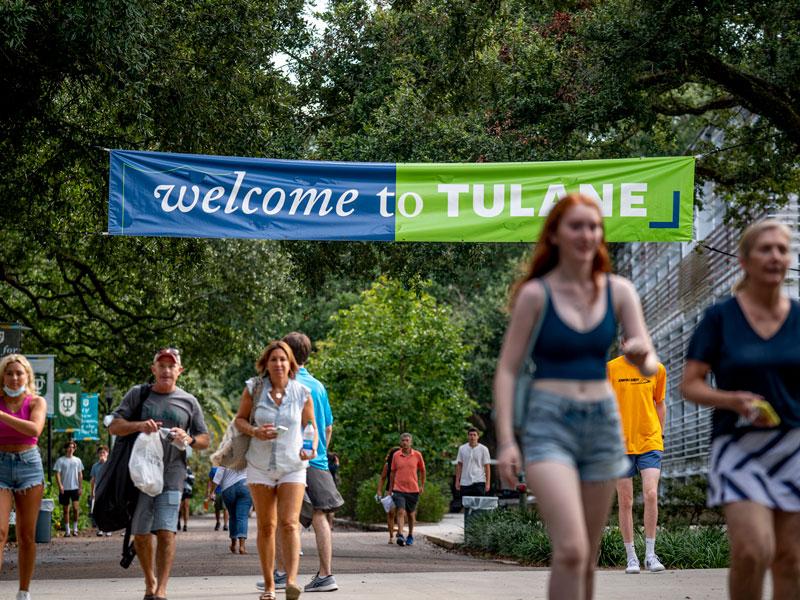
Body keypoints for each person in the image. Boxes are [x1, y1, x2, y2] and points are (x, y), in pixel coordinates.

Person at [494, 193, 658, 600]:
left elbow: (650, 363)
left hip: (603, 424)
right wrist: (508, 439)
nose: (587, 234)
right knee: (570, 549)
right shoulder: (536, 295)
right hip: (550, 424)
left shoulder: (619, 291)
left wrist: (641, 355)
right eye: (576, 225)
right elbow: (508, 369)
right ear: (555, 234)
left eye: (594, 226)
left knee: (586, 555)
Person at [681, 220, 800, 600]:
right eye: (766, 249)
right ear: (744, 260)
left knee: (792, 560)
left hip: (794, 448)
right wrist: (732, 400)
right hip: (738, 448)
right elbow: (690, 384)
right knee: (754, 550)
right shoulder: (720, 318)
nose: (775, 256)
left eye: (782, 249)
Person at [108, 347, 210, 600]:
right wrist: (140, 426)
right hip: (141, 476)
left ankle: (161, 589)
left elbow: (205, 439)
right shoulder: (138, 395)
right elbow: (114, 426)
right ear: (153, 369)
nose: (166, 370)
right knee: (141, 534)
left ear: (179, 371)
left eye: (171, 366)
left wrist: (188, 438)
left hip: (172, 474)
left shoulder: (189, 402)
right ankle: (149, 580)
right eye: (161, 365)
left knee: (166, 531)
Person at [235, 340, 317, 600]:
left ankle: (291, 581)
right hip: (260, 466)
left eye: (283, 359)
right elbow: (239, 420)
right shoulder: (253, 389)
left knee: (290, 524)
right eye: (274, 360)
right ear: (266, 364)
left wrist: (311, 448)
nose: (279, 364)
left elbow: (310, 427)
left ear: (290, 363)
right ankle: (270, 585)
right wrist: (255, 431)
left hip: (293, 465)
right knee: (266, 526)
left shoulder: (302, 392)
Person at [283, 332, 343, 593]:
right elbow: (328, 427)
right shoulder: (318, 386)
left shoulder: (285, 384)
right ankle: (326, 574)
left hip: (291, 460)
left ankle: (280, 573)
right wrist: (320, 453)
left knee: (284, 516)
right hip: (317, 460)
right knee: (320, 515)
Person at [607, 353, 667, 573]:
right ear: (623, 343)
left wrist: (660, 434)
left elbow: (659, 403)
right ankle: (631, 556)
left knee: (651, 493)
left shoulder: (657, 369)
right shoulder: (611, 369)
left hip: (650, 441)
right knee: (626, 501)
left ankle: (650, 555)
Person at [0, 354, 47, 600]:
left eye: (19, 373)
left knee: (26, 535)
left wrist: (2, 415)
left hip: (29, 465)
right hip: (0, 465)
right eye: (9, 373)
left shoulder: (36, 402)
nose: (15, 377)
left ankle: (23, 591)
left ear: (27, 376)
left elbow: (34, 429)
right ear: (3, 376)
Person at [391, 433, 426, 547]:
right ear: (400, 442)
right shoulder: (396, 455)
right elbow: (392, 472)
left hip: (413, 489)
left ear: (411, 442)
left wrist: (422, 485)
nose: (405, 442)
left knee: (411, 514)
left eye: (407, 440)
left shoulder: (417, 455)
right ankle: (400, 534)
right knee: (401, 511)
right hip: (398, 488)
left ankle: (410, 535)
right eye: (403, 440)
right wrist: (390, 488)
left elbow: (422, 470)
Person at [214, 466, 252, 554]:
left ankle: (233, 544)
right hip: (245, 486)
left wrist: (213, 491)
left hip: (228, 488)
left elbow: (219, 474)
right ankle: (242, 546)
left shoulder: (225, 455)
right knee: (242, 517)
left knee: (233, 516)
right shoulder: (246, 453)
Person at [54, 441, 83, 537]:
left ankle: (75, 529)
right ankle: (67, 531)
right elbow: (57, 474)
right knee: (66, 510)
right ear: (66, 448)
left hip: (75, 487)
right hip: (64, 488)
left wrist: (80, 487)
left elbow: (80, 474)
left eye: (73, 447)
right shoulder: (60, 460)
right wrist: (60, 485)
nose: (71, 449)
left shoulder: (78, 460)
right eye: (69, 447)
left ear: (74, 449)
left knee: (75, 508)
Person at [455, 428, 491, 498]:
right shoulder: (462, 448)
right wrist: (457, 481)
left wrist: (488, 483)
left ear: (478, 437)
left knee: (478, 506)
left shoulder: (484, 449)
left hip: (479, 481)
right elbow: (459, 466)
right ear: (468, 436)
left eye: (474, 435)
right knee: (466, 505)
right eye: (470, 435)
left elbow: (487, 467)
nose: (472, 437)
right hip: (465, 482)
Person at [376, 446, 400, 544]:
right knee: (390, 513)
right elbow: (382, 478)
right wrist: (379, 491)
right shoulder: (388, 465)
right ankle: (391, 536)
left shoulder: (404, 464)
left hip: (402, 490)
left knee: (401, 512)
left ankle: (400, 532)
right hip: (389, 491)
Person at [89, 445, 111, 536]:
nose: (102, 454)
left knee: (108, 510)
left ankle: (108, 529)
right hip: (98, 490)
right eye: (100, 452)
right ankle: (100, 529)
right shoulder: (95, 466)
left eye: (104, 452)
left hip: (108, 489)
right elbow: (93, 479)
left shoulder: (110, 464)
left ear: (107, 453)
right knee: (99, 510)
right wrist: (92, 491)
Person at [207, 466, 229, 532]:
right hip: (216, 492)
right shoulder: (213, 469)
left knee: (225, 508)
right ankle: (218, 522)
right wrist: (209, 492)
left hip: (225, 490)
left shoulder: (226, 468)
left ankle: (225, 524)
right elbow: (210, 481)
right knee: (217, 509)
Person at [177, 465, 195, 532]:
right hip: (179, 489)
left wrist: (186, 476)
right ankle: (178, 521)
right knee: (179, 507)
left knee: (186, 506)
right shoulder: (177, 467)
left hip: (187, 490)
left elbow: (192, 480)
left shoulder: (188, 469)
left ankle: (185, 525)